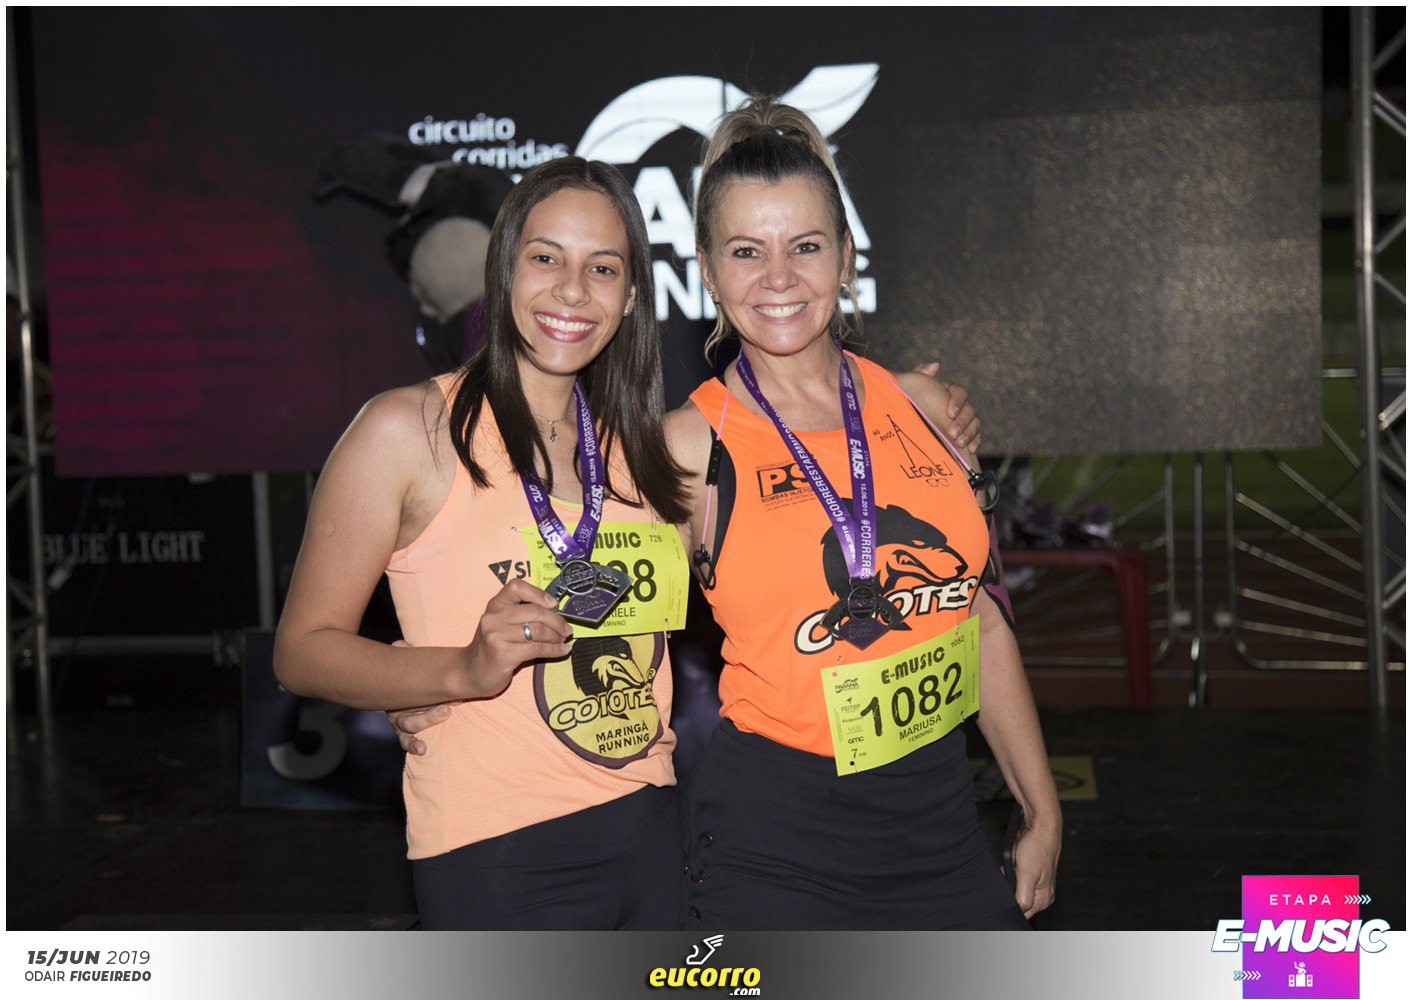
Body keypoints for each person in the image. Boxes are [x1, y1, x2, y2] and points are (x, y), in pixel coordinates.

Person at [659, 97, 1062, 930]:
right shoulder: (686, 448)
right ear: (706, 270)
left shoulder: (928, 409)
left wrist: (1042, 809)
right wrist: (448, 689)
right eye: (746, 251)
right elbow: (610, 637)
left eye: (806, 247)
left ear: (846, 257)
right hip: (774, 840)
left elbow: (980, 620)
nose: (778, 278)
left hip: (941, 820)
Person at [273, 156, 692, 930]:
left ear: (632, 297)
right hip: (499, 852)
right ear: (501, 273)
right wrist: (456, 670)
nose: (573, 290)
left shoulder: (644, 454)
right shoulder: (407, 431)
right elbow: (301, 651)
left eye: (603, 268)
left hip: (650, 826)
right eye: (546, 258)